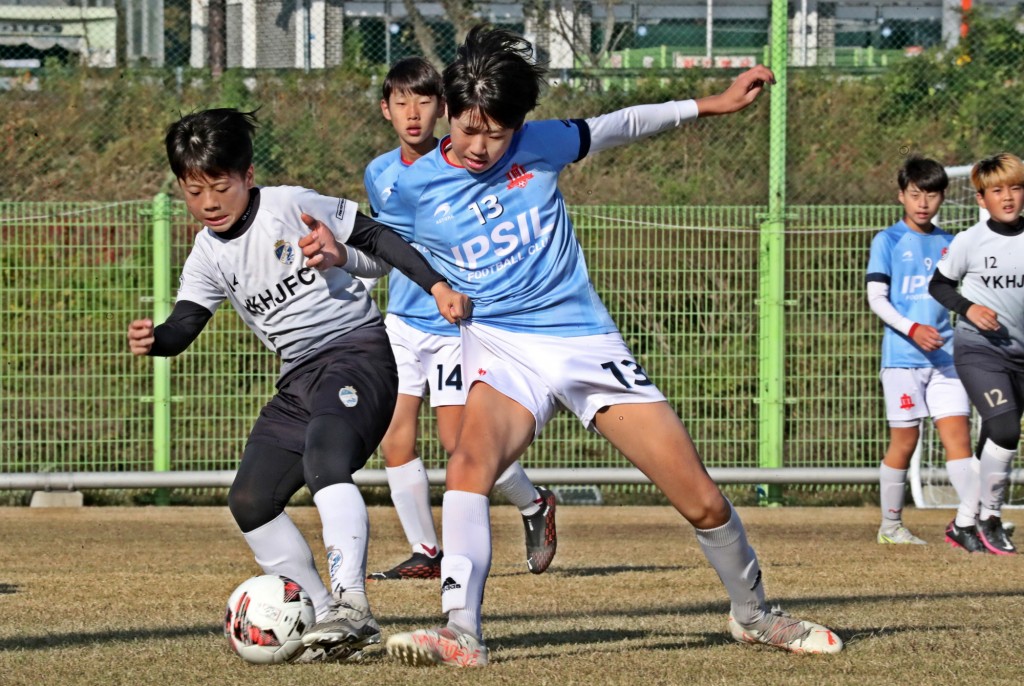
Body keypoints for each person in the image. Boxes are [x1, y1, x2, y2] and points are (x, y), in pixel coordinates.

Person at [304, 25, 843, 665]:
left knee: (697, 495)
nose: (480, 147)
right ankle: (461, 631)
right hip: (502, 348)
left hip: (583, 344)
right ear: (449, 113)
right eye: (469, 130)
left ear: (518, 124)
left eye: (496, 134)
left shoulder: (543, 143)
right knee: (468, 466)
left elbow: (621, 123)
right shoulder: (412, 186)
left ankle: (754, 614)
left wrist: (712, 104)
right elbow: (391, 256)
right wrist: (343, 257)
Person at [126, 107, 470, 662]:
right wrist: (156, 339)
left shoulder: (289, 205)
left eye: (220, 186)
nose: (209, 202)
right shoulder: (208, 252)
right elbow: (185, 323)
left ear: (248, 175)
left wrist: (434, 285)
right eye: (194, 191)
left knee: (325, 460)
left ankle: (351, 606)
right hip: (298, 377)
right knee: (250, 499)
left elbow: (377, 238)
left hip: (356, 353)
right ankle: (325, 621)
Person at [365, 56, 558, 581]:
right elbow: (383, 244)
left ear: (444, 108)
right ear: (386, 109)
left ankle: (533, 502)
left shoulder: (467, 165)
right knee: (395, 437)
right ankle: (427, 552)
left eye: (424, 101)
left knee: (460, 444)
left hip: (453, 329)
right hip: (403, 322)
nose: (413, 113)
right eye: (401, 102)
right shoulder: (380, 174)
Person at [865, 157, 980, 549]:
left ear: (943, 197)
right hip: (902, 358)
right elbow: (876, 298)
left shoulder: (952, 243)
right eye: (915, 195)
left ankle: (972, 521)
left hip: (946, 359)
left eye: (931, 195)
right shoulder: (888, 240)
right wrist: (913, 328)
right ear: (901, 196)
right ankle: (891, 526)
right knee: (905, 442)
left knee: (958, 437)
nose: (923, 203)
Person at [930, 152, 1024, 556]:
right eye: (997, 191)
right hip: (978, 350)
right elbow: (939, 285)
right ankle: (990, 516)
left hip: (1020, 353)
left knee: (993, 439)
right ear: (981, 200)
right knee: (1005, 431)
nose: (1008, 197)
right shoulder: (969, 241)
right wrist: (968, 308)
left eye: (1016, 188)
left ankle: (964, 523)